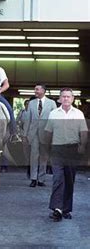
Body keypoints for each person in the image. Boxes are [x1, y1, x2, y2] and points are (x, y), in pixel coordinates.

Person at [45, 88, 87, 222]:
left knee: (69, 180)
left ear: (73, 99)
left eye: (68, 97)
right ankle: (57, 209)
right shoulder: (53, 114)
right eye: (63, 96)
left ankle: (66, 209)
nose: (66, 99)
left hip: (72, 150)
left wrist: (82, 146)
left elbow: (84, 132)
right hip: (57, 149)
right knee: (58, 178)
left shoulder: (78, 114)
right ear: (59, 99)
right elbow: (48, 132)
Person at [24, 84, 57, 187]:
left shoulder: (52, 103)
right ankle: (33, 178)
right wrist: (25, 134)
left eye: (37, 89)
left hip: (46, 134)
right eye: (35, 89)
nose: (35, 91)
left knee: (44, 157)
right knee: (33, 156)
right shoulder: (31, 103)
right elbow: (27, 120)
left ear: (43, 90)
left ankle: (41, 179)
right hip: (33, 134)